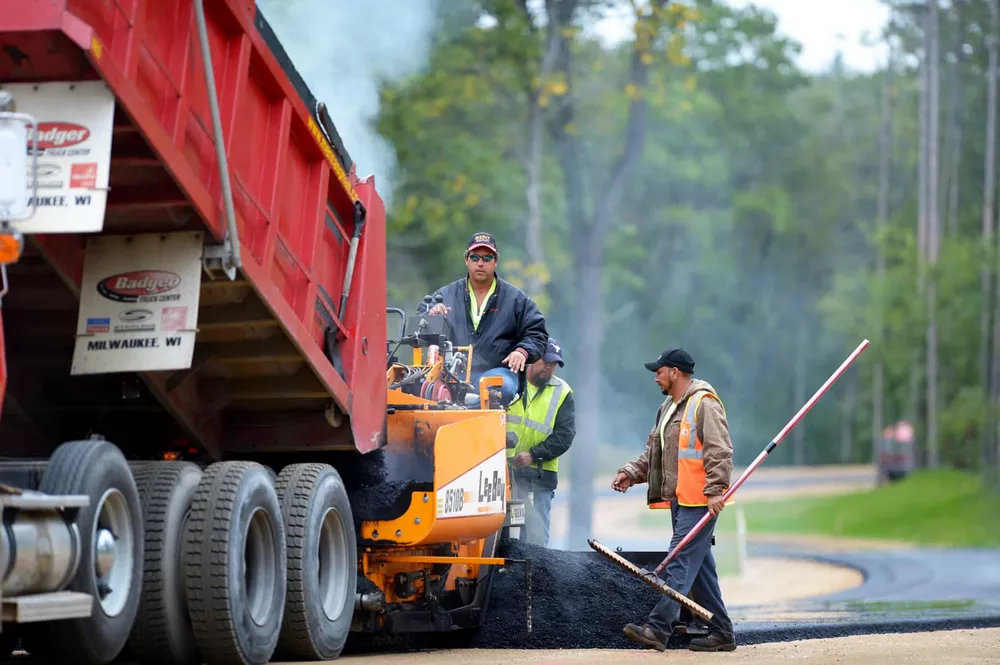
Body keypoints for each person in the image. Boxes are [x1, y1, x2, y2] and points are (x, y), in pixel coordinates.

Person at [612, 347, 737, 653]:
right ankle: (722, 631)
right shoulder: (668, 407)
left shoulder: (704, 403)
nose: (656, 377)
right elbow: (655, 451)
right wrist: (631, 472)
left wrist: (715, 490)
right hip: (682, 501)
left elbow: (719, 450)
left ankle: (657, 628)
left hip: (701, 501)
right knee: (700, 568)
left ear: (675, 372)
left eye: (659, 371)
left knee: (680, 562)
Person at [424, 232, 548, 404]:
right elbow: (421, 319)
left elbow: (537, 332)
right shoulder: (445, 294)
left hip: (497, 371)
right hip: (451, 373)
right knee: (420, 388)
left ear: (496, 261)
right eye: (475, 257)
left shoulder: (516, 299)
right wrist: (432, 315)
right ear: (466, 259)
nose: (480, 263)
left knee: (498, 389)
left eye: (487, 257)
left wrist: (522, 351)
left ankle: (460, 410)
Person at [506, 337, 575, 546]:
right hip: (504, 473)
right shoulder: (508, 382)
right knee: (501, 534)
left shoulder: (563, 392)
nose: (549, 368)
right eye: (546, 362)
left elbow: (565, 435)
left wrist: (533, 454)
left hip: (539, 477)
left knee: (536, 538)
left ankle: (536, 576)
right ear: (533, 358)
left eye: (554, 364)